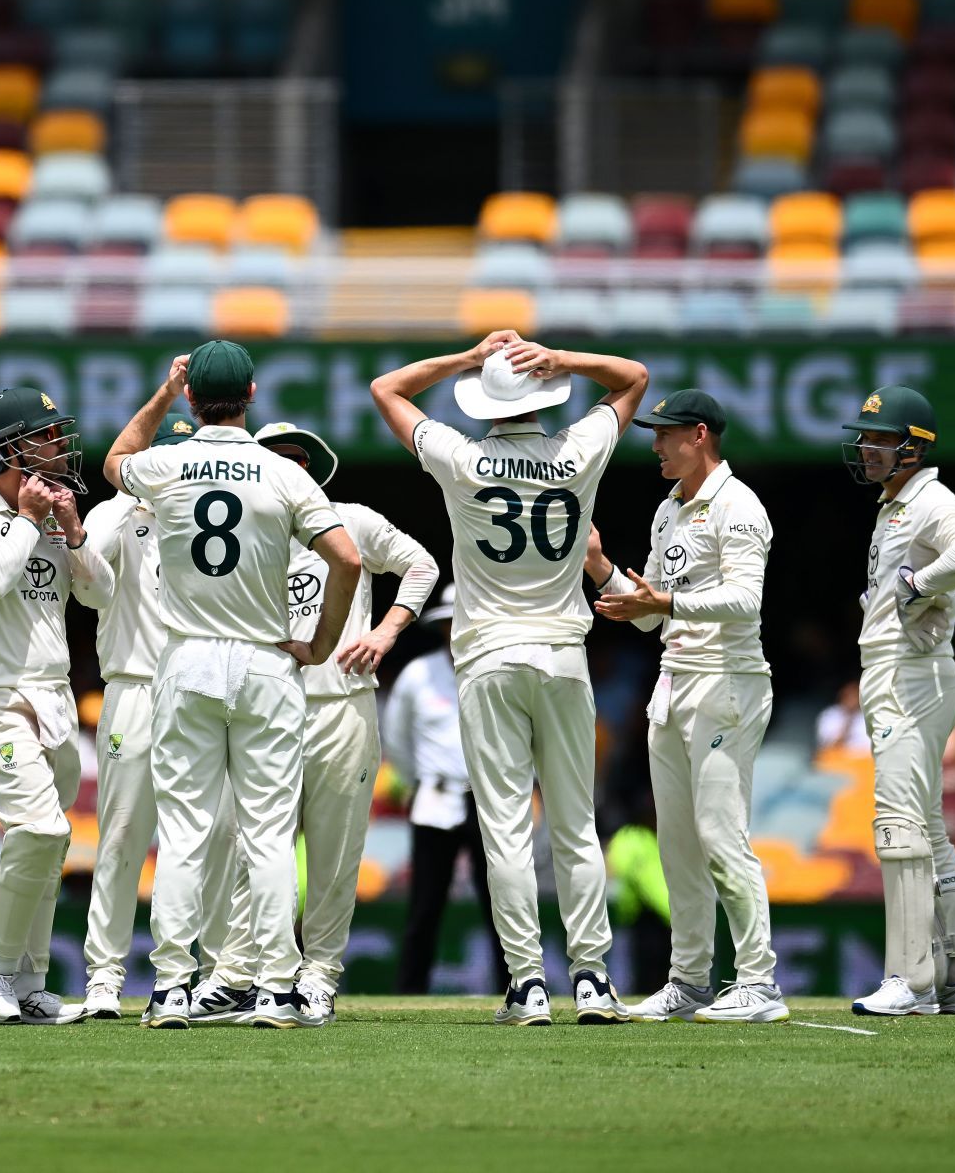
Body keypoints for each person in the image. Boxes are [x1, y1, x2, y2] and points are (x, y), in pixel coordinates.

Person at [372, 331, 647, 1026]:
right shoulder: (578, 451)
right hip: (562, 653)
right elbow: (634, 376)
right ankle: (590, 978)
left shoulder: (462, 458)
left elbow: (387, 390)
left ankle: (527, 985)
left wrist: (464, 359)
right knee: (577, 827)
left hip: (489, 656)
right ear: (545, 394)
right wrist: (567, 360)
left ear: (486, 403)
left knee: (504, 828)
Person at [104, 342, 362, 1030]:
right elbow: (348, 557)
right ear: (251, 394)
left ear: (192, 400)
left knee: (185, 832)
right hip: (264, 658)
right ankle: (277, 987)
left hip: (186, 659)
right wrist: (323, 643)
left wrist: (161, 394)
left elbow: (112, 462)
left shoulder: (166, 462)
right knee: (270, 833)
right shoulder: (282, 472)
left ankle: (170, 988)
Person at [189, 421, 438, 1024]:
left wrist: (385, 631)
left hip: (341, 705)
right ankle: (237, 973)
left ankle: (319, 975)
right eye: (275, 457)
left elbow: (422, 565)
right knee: (254, 847)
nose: (289, 465)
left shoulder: (349, 519)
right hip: (262, 707)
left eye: (298, 457)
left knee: (334, 853)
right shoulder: (241, 531)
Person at [588, 389, 786, 1023]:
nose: (655, 447)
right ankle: (691, 981)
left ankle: (759, 985)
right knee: (676, 845)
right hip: (673, 684)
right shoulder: (668, 510)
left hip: (728, 683)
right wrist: (600, 568)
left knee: (721, 837)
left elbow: (745, 601)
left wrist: (664, 606)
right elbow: (648, 614)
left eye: (666, 435)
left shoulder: (739, 506)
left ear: (699, 435)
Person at [0, 385, 115, 1024]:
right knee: (40, 829)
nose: (61, 447)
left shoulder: (53, 512)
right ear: (6, 450)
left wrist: (70, 529)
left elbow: (101, 595)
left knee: (48, 848)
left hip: (57, 696)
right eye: (45, 437)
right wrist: (31, 521)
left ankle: (32, 983)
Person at [840, 385, 955, 1016]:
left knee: (898, 823)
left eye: (881, 439)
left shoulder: (932, 498)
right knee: (925, 825)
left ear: (914, 447)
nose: (867, 448)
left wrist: (919, 584)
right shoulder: (893, 505)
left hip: (913, 676)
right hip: (897, 671)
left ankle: (911, 978)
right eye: (867, 437)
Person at [78, 411, 194, 1019]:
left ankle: (189, 975)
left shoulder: (204, 510)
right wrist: (121, 508)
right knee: (122, 835)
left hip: (199, 688)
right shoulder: (112, 514)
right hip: (134, 687)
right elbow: (89, 589)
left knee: (199, 838)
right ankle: (103, 975)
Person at [382, 584, 509, 996]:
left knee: (503, 905)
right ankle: (408, 994)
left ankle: (517, 989)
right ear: (442, 628)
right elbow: (396, 739)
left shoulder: (501, 672)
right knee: (424, 906)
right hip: (435, 798)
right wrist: (420, 778)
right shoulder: (419, 675)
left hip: (488, 800)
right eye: (452, 623)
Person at [816, 681, 873, 756]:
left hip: (862, 761)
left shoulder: (867, 717)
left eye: (855, 696)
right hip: (836, 759)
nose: (852, 700)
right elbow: (828, 746)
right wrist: (848, 721)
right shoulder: (829, 716)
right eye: (849, 696)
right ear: (841, 696)